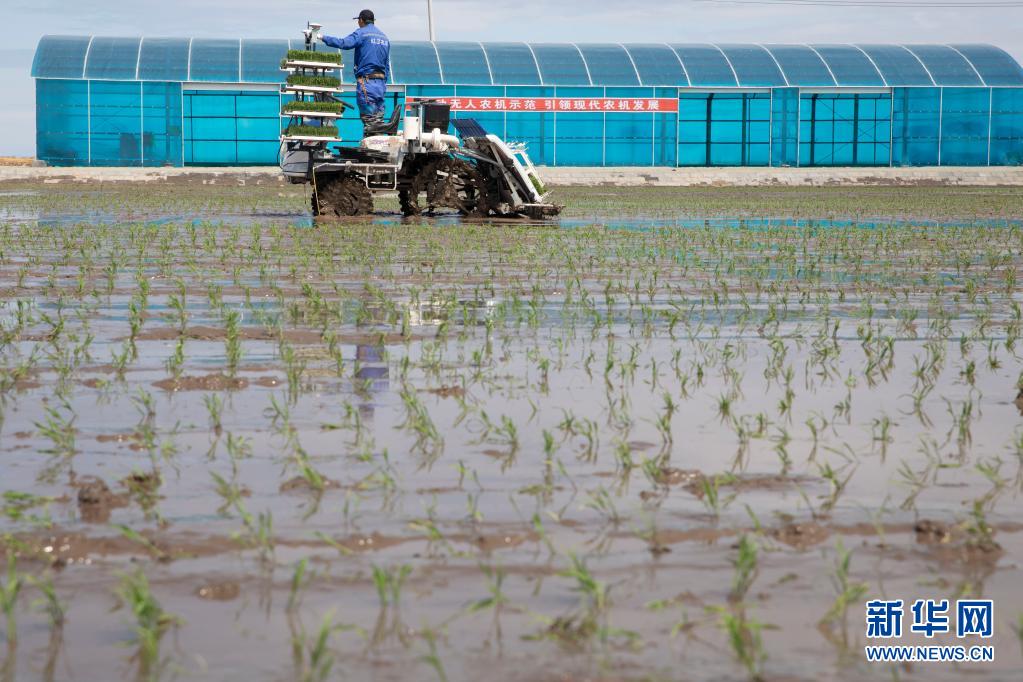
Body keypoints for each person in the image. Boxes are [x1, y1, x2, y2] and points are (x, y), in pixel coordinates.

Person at [318, 10, 391, 137]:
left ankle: (370, 151)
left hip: (367, 84)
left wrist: (323, 37)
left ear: (361, 20)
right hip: (380, 85)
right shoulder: (384, 38)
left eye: (358, 20)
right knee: (378, 121)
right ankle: (377, 146)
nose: (358, 23)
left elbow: (344, 43)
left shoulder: (362, 33)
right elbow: (387, 65)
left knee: (369, 121)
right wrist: (383, 83)